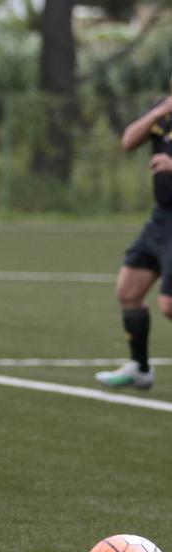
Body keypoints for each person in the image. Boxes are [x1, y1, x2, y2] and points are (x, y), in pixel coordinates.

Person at [93, 83, 172, 390]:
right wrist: (161, 110)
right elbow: (128, 141)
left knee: (169, 305)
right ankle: (140, 368)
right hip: (161, 218)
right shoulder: (163, 112)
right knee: (128, 291)